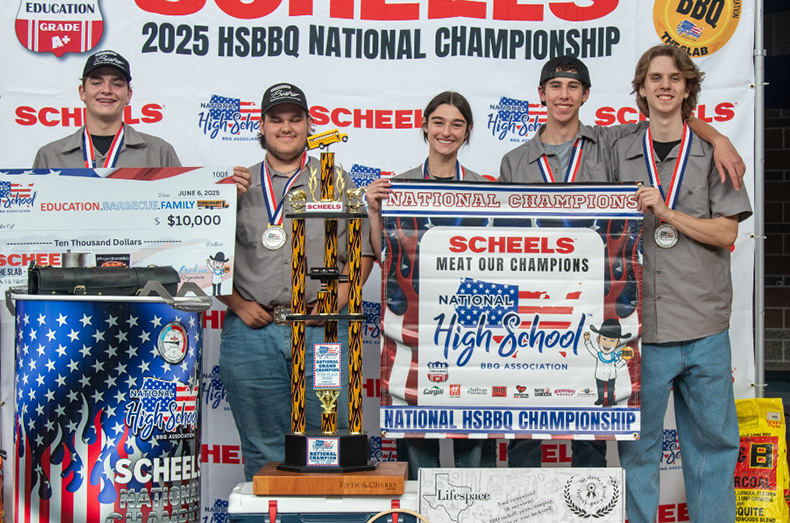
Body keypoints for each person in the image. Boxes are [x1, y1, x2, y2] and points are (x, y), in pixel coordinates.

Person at [500, 54, 745, 469]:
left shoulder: (609, 143)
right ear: (541, 94)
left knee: (593, 420)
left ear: (586, 95)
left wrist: (718, 138)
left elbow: (668, 119)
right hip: (534, 309)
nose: (563, 95)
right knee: (526, 420)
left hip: (594, 303)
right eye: (555, 86)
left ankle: (588, 508)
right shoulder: (513, 161)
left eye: (573, 86)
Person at [611, 44, 751, 523]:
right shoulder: (617, 147)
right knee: (638, 451)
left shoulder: (715, 154)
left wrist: (668, 213)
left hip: (704, 326)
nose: (664, 85)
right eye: (655, 78)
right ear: (642, 88)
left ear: (688, 87)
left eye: (675, 77)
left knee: (713, 450)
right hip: (642, 331)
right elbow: (563, 139)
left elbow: (727, 231)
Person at [218, 82, 375, 480]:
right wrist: (237, 304)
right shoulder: (233, 186)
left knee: (331, 442)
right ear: (262, 126)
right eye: (276, 120)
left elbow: (364, 254)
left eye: (294, 119)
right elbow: (203, 259)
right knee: (263, 449)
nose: (285, 127)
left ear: (309, 125)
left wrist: (332, 303)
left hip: (322, 330)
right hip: (253, 331)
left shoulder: (336, 181)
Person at [366, 91, 497, 480]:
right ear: (424, 126)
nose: (446, 131)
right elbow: (383, 255)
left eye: (457, 124)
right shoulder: (399, 185)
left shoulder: (485, 188)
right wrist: (375, 211)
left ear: (468, 131)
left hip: (471, 327)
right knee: (417, 436)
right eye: (438, 122)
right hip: (415, 325)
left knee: (474, 437)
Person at [33, 50, 181, 169]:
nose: (106, 90)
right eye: (97, 82)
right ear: (82, 92)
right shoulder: (50, 156)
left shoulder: (159, 152)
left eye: (116, 84)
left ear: (128, 95)